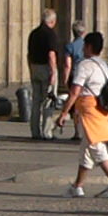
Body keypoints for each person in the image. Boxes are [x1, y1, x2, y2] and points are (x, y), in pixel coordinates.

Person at [63, 30, 108, 198]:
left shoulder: (84, 65)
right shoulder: (105, 66)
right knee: (87, 148)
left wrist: (64, 112)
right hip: (102, 108)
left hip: (88, 108)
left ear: (89, 46)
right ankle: (77, 186)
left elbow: (75, 91)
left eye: (85, 45)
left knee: (96, 146)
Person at [27, 8, 66, 138]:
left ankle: (35, 131)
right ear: (52, 21)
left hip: (34, 67)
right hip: (46, 68)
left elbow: (28, 54)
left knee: (36, 102)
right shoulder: (50, 34)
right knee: (48, 101)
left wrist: (30, 68)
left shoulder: (33, 33)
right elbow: (51, 54)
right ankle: (46, 132)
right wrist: (53, 72)